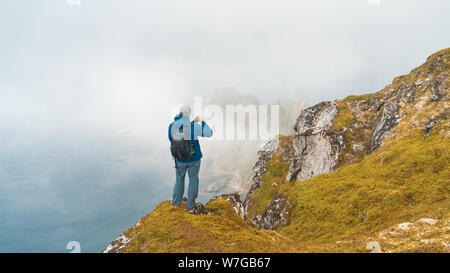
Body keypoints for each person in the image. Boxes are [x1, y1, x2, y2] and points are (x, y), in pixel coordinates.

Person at [168, 105, 213, 211]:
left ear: (180, 113)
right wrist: (201, 121)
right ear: (189, 114)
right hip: (194, 159)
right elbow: (209, 133)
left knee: (179, 180)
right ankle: (191, 205)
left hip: (179, 159)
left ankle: (176, 202)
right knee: (193, 179)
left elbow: (171, 139)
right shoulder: (193, 126)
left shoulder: (172, 126)